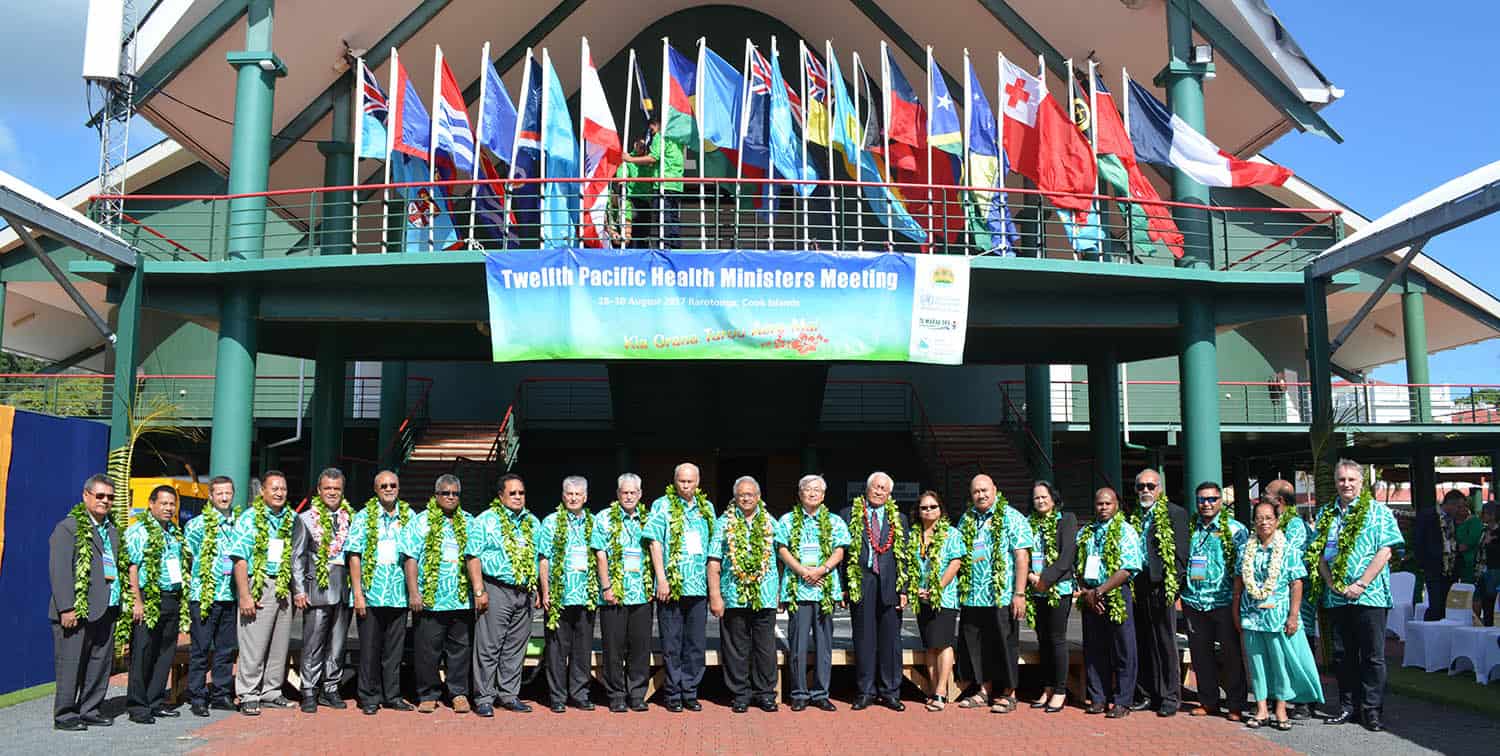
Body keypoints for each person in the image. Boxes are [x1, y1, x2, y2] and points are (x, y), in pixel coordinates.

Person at [1314, 459, 1404, 732]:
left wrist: (1362, 584)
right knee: (1343, 655)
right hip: (1337, 596)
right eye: (1341, 479)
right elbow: (1319, 553)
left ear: (1361, 482)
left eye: (1351, 479)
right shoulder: (1326, 514)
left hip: (1370, 595)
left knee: (1372, 655)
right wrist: (1330, 583)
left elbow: (1386, 550)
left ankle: (1371, 710)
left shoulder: (1379, 512)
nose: (1346, 484)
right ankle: (1348, 706)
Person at [1234, 501, 1323, 731]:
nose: (1264, 522)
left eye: (1268, 518)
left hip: (1278, 617)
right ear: (1253, 521)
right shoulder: (1245, 549)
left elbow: (1296, 583)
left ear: (1277, 520)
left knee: (1279, 664)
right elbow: (1238, 583)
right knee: (1256, 664)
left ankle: (1281, 708)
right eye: (1259, 518)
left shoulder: (1288, 549)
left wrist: (1293, 616)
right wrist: (1236, 612)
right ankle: (1261, 709)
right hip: (1252, 616)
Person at [953, 474, 1033, 715]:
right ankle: (983, 690)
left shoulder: (1012, 517)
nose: (981, 495)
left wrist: (1019, 593)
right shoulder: (967, 518)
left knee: (1005, 645)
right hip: (973, 596)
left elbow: (1022, 556)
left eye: (985, 490)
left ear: (995, 490)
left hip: (1002, 595)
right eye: (976, 491)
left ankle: (1009, 693)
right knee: (977, 645)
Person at [48, 474, 122, 731]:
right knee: (71, 664)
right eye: (100, 495)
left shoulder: (112, 530)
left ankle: (90, 709)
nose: (105, 501)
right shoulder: (68, 527)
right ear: (86, 496)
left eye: (110, 497)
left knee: (100, 663)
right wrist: (66, 607)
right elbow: (59, 570)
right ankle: (65, 714)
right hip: (77, 610)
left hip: (107, 607)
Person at [465, 473, 540, 716]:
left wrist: (537, 587)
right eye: (512, 493)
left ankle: (509, 694)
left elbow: (537, 558)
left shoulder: (532, 522)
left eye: (521, 493)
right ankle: (484, 697)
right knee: (489, 646)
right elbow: (472, 556)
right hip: (496, 588)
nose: (518, 497)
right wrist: (479, 590)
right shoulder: (486, 520)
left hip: (524, 592)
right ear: (500, 496)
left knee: (515, 647)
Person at [644, 462, 716, 712]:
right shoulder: (661, 505)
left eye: (690, 481)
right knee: (672, 643)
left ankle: (690, 691)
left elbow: (713, 547)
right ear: (674, 481)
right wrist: (661, 579)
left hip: (698, 586)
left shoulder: (706, 508)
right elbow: (654, 542)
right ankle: (673, 694)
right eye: (681, 481)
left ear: (698, 482)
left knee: (695, 643)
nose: (686, 486)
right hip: (672, 586)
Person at [774, 474, 850, 712]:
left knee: (824, 645)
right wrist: (801, 570)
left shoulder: (835, 521)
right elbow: (782, 549)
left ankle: (821, 693)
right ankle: (798, 693)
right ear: (800, 494)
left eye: (817, 489)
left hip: (824, 588)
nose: (813, 492)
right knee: (797, 644)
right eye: (808, 489)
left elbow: (840, 551)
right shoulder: (787, 520)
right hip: (798, 589)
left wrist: (821, 570)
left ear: (824, 495)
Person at [401, 474, 475, 714]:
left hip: (461, 599)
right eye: (446, 493)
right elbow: (410, 558)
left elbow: (475, 558)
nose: (451, 497)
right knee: (427, 650)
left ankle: (458, 693)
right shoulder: (420, 521)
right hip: (430, 600)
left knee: (460, 649)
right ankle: (428, 694)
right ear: (436, 495)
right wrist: (414, 592)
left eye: (455, 493)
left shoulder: (469, 522)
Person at [344, 470, 415, 715]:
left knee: (394, 651)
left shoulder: (409, 517)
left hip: (398, 595)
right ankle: (369, 696)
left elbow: (413, 555)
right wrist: (358, 594)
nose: (388, 489)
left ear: (398, 488)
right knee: (369, 650)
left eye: (392, 485)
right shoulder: (363, 517)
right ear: (375, 490)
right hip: (371, 594)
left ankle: (392, 695)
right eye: (383, 486)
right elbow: (354, 555)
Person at [227, 470, 297, 716]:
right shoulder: (249, 518)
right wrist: (245, 595)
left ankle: (271, 691)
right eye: (274, 488)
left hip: (283, 585)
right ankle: (248, 693)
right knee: (254, 644)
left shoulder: (291, 518)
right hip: (259, 583)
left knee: (280, 644)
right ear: (263, 491)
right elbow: (239, 559)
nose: (279, 493)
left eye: (283, 489)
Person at [708, 476, 781, 713]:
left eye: (750, 494)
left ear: (758, 497)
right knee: (735, 647)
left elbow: (784, 555)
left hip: (765, 595)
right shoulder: (723, 523)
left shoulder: (770, 522)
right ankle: (740, 694)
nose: (746, 498)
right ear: (735, 497)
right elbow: (714, 561)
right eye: (741, 494)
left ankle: (765, 694)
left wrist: (780, 591)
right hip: (733, 595)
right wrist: (715, 595)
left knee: (765, 648)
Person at [842, 471, 911, 711]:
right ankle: (865, 691)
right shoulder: (849, 514)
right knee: (864, 638)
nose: (879, 491)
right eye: (875, 487)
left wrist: (904, 588)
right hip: (861, 582)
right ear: (867, 488)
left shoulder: (899, 518)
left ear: (889, 493)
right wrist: (843, 587)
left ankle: (890, 692)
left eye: (884, 488)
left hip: (890, 584)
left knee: (891, 640)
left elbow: (905, 556)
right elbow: (842, 554)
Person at [1181, 481, 1249, 721]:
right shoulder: (1190, 529)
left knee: (1231, 655)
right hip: (1194, 601)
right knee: (1201, 656)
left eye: (1212, 499)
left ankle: (1236, 704)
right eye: (1202, 499)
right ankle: (1208, 701)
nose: (1207, 504)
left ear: (1221, 501)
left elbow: (1243, 568)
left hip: (1224, 601)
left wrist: (1238, 602)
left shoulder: (1236, 529)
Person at [1075, 487, 1144, 719]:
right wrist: (1088, 593)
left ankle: (1123, 701)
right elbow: (1078, 565)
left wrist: (1100, 591)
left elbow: (1129, 567)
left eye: (1108, 503)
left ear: (1116, 505)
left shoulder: (1126, 531)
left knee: (1123, 649)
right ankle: (1098, 698)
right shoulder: (1086, 532)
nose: (1103, 507)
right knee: (1094, 649)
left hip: (1116, 594)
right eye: (1099, 504)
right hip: (1090, 596)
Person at [291, 467, 354, 713]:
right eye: (327, 488)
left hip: (343, 590)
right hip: (316, 589)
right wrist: (299, 589)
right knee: (313, 643)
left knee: (337, 644)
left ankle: (331, 687)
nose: (332, 492)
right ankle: (309, 690)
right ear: (319, 490)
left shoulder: (351, 518)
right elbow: (297, 556)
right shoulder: (305, 518)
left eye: (337, 488)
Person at [1127, 467, 1188, 716]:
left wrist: (1173, 588)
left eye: (1150, 486)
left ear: (1159, 489)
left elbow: (1181, 555)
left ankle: (1169, 696)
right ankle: (1147, 694)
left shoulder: (1175, 513)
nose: (1145, 490)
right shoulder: (1134, 516)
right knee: (1142, 641)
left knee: (1164, 642)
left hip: (1162, 585)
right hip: (1138, 584)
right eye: (1141, 486)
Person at [124, 484, 186, 724]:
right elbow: (132, 567)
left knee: (165, 651)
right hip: (148, 597)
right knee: (143, 651)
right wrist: (137, 601)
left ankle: (155, 701)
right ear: (151, 504)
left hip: (171, 596)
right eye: (164, 503)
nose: (169, 508)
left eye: (172, 504)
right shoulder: (138, 531)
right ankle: (138, 706)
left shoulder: (174, 532)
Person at [537, 475, 600, 713]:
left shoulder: (594, 522)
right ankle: (557, 696)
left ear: (585, 497)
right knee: (556, 649)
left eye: (578, 494)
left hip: (586, 595)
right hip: (559, 595)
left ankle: (580, 694)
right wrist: (545, 591)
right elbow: (543, 558)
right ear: (563, 496)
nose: (573, 498)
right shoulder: (550, 522)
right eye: (569, 494)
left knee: (582, 648)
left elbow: (601, 556)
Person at [592, 473, 654, 713]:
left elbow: (656, 551)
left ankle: (637, 694)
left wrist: (654, 584)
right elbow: (600, 554)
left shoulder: (649, 519)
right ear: (618, 494)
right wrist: (606, 586)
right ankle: (616, 695)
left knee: (640, 647)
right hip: (614, 594)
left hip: (641, 594)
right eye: (624, 492)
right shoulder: (604, 518)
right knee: (613, 647)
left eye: (633, 492)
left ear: (640, 494)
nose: (628, 496)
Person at [183, 475, 239, 717]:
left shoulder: (239, 524)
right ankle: (197, 695)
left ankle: (221, 693)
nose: (224, 497)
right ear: (211, 495)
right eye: (220, 493)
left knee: (226, 649)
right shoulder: (196, 525)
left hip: (230, 595)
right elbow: (188, 558)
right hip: (204, 595)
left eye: (228, 493)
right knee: (200, 648)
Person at [1261, 478, 1315, 720]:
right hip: (1273, 602)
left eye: (1266, 494)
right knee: (1276, 651)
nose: (1262, 498)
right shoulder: (1271, 522)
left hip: (1295, 602)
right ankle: (1277, 696)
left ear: (1279, 500)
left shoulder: (1295, 526)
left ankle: (1304, 701)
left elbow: (1284, 560)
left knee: (1297, 651)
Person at [907, 490, 962, 711]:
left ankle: (941, 691)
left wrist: (936, 588)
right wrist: (916, 589)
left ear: (941, 509)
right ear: (918, 511)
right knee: (930, 645)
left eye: (933, 507)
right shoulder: (913, 535)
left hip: (944, 597)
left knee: (943, 643)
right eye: (924, 507)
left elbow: (955, 563)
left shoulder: (951, 533)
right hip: (921, 597)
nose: (929, 510)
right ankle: (931, 689)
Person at [1026, 480, 1078, 714]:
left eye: (1044, 497)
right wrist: (1031, 577)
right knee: (1043, 639)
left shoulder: (1066, 520)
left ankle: (1060, 690)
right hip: (1036, 589)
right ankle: (1047, 687)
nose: (1040, 501)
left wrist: (1045, 579)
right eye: (1036, 498)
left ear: (1053, 498)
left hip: (1059, 588)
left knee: (1057, 639)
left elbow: (1066, 557)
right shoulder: (1029, 523)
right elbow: (1024, 554)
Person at [622, 119, 684, 247]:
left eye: (651, 129)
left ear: (656, 125)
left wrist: (630, 159)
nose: (650, 132)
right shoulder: (677, 138)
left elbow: (653, 157)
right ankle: (675, 247)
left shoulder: (660, 136)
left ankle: (666, 247)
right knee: (672, 217)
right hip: (676, 184)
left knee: (664, 217)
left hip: (663, 184)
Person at [1413, 489, 1460, 621]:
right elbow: (1419, 540)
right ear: (1450, 504)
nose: (1459, 510)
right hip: (1433, 566)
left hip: (1449, 569)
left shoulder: (1452, 520)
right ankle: (1428, 629)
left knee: (1445, 606)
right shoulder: (1429, 515)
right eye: (1458, 506)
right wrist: (1423, 563)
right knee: (1436, 605)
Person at [1475, 503, 1499, 626]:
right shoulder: (1484, 531)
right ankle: (1485, 622)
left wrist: (1490, 543)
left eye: (1484, 513)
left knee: (1491, 598)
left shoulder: (1497, 532)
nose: (1482, 516)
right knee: (1482, 597)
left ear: (1493, 515)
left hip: (1494, 569)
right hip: (1481, 568)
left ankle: (1491, 623)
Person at [1456, 498, 1483, 584]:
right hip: (1457, 563)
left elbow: (1470, 541)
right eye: (1459, 507)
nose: (1462, 509)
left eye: (1465, 506)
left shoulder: (1474, 521)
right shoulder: (1453, 521)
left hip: (1470, 563)